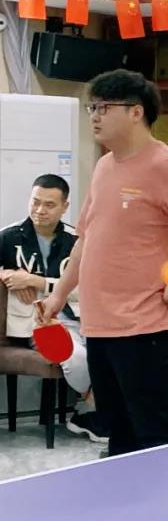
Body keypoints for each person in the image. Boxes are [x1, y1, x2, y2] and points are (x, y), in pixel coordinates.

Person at [40, 69, 168, 457]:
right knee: (118, 435)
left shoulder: (166, 166)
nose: (94, 116)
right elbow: (86, 239)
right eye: (92, 108)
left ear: (135, 112)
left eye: (103, 107)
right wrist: (59, 295)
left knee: (154, 437)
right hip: (99, 325)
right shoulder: (104, 166)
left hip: (145, 327)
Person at [0, 174, 107, 442]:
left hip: (79, 317)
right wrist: (6, 274)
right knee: (75, 355)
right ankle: (96, 409)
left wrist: (36, 281)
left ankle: (92, 412)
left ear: (64, 206)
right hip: (36, 322)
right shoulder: (9, 237)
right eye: (35, 202)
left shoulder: (76, 240)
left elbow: (85, 286)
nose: (40, 210)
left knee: (111, 352)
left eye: (49, 205)